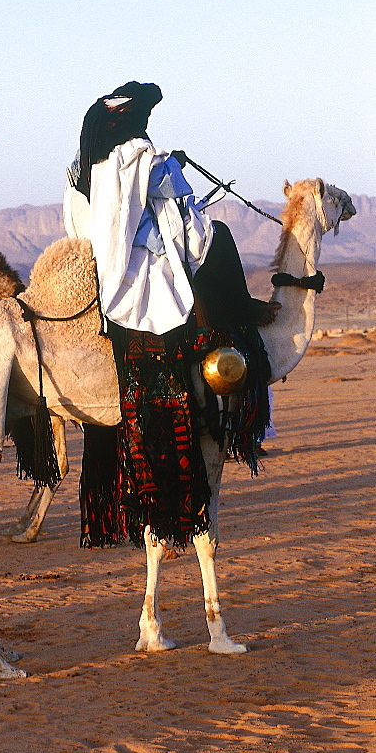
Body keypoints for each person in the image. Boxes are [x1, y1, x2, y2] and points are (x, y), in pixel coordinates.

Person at [69, 82, 272, 549]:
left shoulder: (90, 167)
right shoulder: (146, 157)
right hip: (155, 277)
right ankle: (239, 325)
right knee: (217, 236)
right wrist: (175, 167)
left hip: (115, 281)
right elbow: (186, 218)